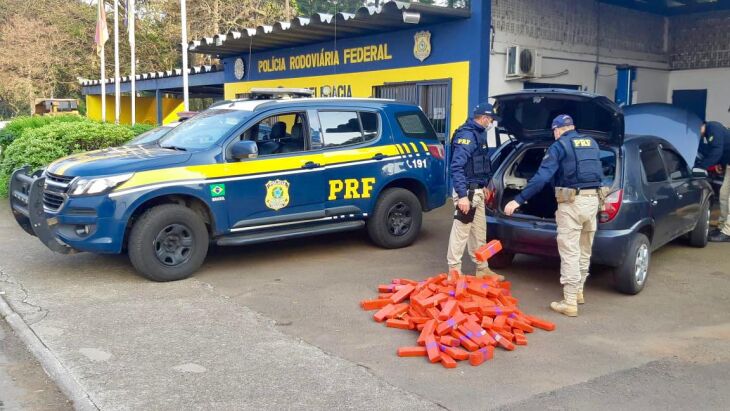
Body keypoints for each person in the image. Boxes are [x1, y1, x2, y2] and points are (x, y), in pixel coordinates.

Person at [504, 114, 604, 317]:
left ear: (558, 129)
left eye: (554, 131)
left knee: (570, 253)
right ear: (573, 127)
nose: (554, 134)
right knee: (585, 249)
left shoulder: (559, 146)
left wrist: (518, 200)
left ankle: (569, 302)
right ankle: (578, 292)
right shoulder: (591, 143)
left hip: (572, 204)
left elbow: (541, 178)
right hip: (594, 201)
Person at [446, 102, 499, 279]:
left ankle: (482, 269)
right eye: (490, 119)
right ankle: (454, 271)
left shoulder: (478, 134)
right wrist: (462, 196)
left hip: (476, 192)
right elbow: (457, 167)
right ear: (484, 118)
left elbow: (479, 165)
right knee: (461, 233)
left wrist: (483, 186)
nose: (491, 123)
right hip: (467, 193)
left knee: (479, 233)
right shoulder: (467, 135)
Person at [695, 121, 730, 242]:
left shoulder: (713, 127)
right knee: (724, 195)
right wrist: (721, 163)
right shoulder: (708, 133)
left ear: (700, 125)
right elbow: (724, 147)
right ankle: (722, 226)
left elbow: (717, 150)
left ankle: (728, 232)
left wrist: (702, 166)